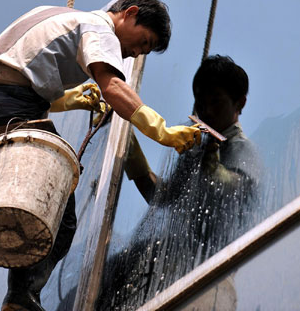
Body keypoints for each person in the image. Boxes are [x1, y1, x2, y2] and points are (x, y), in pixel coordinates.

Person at [0, 0, 201, 311]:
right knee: (58, 214)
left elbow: (18, 73)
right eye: (144, 42)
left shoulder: (55, 15)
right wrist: (163, 131)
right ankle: (21, 297)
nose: (139, 53)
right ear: (129, 13)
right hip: (9, 110)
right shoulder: (100, 28)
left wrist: (73, 99)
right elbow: (112, 87)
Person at [98, 55, 261, 310]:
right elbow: (162, 198)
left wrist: (214, 171)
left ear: (239, 103)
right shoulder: (198, 148)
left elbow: (239, 188)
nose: (206, 110)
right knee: (109, 274)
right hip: (173, 262)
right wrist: (130, 150)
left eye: (215, 102)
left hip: (206, 273)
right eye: (200, 102)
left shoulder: (240, 148)